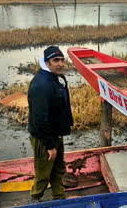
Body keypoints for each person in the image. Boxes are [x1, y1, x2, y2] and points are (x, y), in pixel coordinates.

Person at [28, 46, 73, 203]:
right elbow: (39, 119)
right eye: (56, 60)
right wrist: (49, 145)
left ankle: (59, 198)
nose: (60, 64)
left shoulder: (57, 77)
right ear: (47, 63)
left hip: (56, 133)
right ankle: (35, 199)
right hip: (44, 137)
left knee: (58, 168)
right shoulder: (41, 84)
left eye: (62, 60)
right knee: (43, 173)